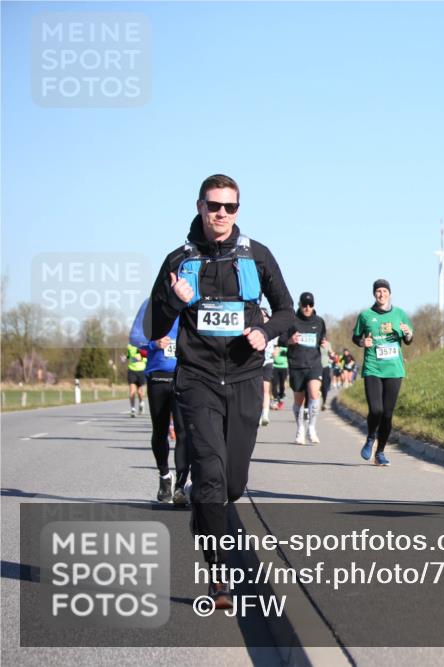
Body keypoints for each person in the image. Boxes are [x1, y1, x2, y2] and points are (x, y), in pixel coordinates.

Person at [147, 174, 294, 609]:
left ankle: (205, 510)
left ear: (238, 209)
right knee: (210, 478)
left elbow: (287, 311)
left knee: (232, 484)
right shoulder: (178, 261)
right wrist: (174, 301)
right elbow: (153, 327)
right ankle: (219, 575)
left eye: (230, 207)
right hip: (198, 380)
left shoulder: (257, 255)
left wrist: (265, 332)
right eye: (214, 206)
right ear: (200, 206)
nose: (221, 214)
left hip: (246, 379)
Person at [129, 298, 189, 505]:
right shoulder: (151, 303)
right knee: (160, 431)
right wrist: (154, 343)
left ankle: (181, 484)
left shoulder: (193, 301)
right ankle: (164, 476)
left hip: (186, 375)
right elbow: (135, 337)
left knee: (183, 432)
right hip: (158, 375)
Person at [352, 279, 413, 466]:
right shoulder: (365, 315)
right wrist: (362, 342)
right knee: (376, 410)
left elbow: (409, 339)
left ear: (390, 294)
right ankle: (371, 437)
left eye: (385, 291)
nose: (382, 294)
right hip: (373, 367)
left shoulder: (400, 314)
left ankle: (380, 452)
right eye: (378, 291)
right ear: (374, 294)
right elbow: (356, 337)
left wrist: (408, 333)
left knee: (387, 414)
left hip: (394, 369)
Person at [280, 292, 327, 444]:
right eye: (304, 305)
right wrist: (290, 340)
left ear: (313, 305)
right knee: (299, 400)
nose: (307, 308)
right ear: (299, 305)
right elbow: (281, 340)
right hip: (296, 364)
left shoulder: (319, 321)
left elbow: (321, 338)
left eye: (310, 305)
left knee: (314, 394)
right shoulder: (291, 320)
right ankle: (300, 428)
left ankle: (311, 428)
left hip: (314, 363)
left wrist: (323, 343)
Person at [260, 308, 278, 426]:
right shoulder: (254, 329)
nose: (262, 318)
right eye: (260, 316)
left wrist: (275, 351)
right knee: (256, 390)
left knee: (265, 389)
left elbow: (277, 346)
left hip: (268, 361)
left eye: (264, 316)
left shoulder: (273, 330)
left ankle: (265, 415)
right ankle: (257, 413)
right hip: (255, 363)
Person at [126, 343, 147, 417]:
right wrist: (125, 358)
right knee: (132, 391)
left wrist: (141, 358)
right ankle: (133, 409)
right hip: (132, 370)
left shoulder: (143, 345)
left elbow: (147, 358)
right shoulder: (129, 346)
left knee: (140, 392)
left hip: (141, 371)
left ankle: (141, 403)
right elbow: (128, 356)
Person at [272, 344, 288, 408]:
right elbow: (271, 355)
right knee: (274, 383)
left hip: (284, 367)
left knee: (282, 384)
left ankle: (281, 396)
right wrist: (274, 352)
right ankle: (275, 398)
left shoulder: (286, 346)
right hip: (275, 366)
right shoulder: (275, 346)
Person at [320, 342, 332, 410]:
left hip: (326, 367)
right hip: (316, 367)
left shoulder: (328, 344)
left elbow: (331, 353)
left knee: (325, 386)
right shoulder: (316, 342)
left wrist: (332, 355)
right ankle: (315, 402)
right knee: (317, 385)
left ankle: (324, 402)